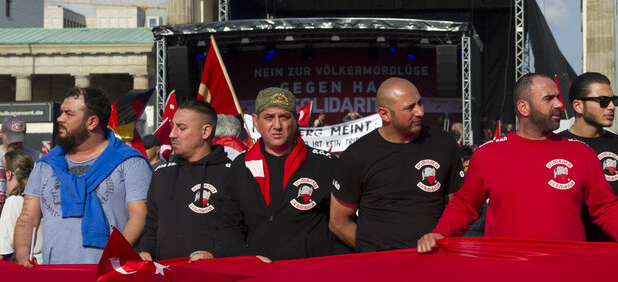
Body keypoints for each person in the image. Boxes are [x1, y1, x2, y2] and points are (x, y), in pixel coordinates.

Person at [417, 73, 618, 253]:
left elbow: (606, 207)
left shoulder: (582, 153)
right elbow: (463, 206)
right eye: (549, 99)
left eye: (558, 98)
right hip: (507, 273)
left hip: (568, 272)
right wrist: (440, 233)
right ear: (523, 107)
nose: (559, 104)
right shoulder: (487, 155)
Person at [194, 87, 335, 262]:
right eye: (269, 117)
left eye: (284, 117)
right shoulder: (241, 165)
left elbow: (340, 225)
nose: (277, 125)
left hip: (308, 273)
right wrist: (246, 258)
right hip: (257, 273)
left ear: (296, 119)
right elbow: (230, 225)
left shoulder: (325, 164)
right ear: (256, 121)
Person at [15, 87, 152, 265]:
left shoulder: (130, 161)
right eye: (61, 112)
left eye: (68, 113)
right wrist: (22, 255)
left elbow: (140, 215)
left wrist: (114, 257)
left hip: (108, 273)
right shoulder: (46, 164)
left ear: (92, 122)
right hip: (54, 273)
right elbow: (28, 217)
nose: (59, 118)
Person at [330, 77, 464, 252]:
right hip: (379, 270)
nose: (420, 112)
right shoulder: (357, 155)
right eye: (410, 108)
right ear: (385, 114)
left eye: (420, 103)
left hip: (434, 263)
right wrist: (372, 252)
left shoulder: (444, 144)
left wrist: (441, 241)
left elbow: (457, 207)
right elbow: (338, 223)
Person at [137, 99, 231, 261]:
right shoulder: (161, 174)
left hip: (211, 273)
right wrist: (145, 250)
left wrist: (214, 254)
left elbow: (238, 231)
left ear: (205, 131)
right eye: (173, 126)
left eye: (181, 128)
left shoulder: (231, 174)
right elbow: (152, 226)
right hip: (165, 275)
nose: (172, 134)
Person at [559, 72, 618, 241]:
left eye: (614, 100)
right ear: (578, 106)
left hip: (615, 253)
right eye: (603, 101)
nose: (611, 107)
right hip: (570, 253)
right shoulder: (556, 147)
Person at [0, 150, 43, 263]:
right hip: (44, 264)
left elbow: (3, 253)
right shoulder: (39, 200)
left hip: (25, 269)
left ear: (8, 174)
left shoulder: (12, 203)